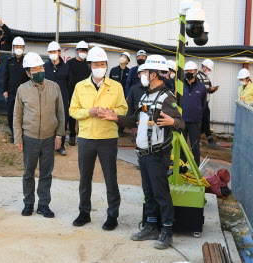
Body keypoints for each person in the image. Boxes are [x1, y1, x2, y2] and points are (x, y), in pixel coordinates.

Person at [98, 55, 185, 250]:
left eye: (145, 72)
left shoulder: (166, 97)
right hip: (144, 154)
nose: (142, 75)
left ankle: (167, 232)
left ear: (154, 74)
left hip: (157, 155)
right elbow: (133, 121)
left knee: (161, 193)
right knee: (149, 193)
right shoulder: (145, 96)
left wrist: (173, 122)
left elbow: (181, 123)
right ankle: (151, 227)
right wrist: (116, 118)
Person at [69, 46, 128, 231]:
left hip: (107, 138)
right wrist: (89, 112)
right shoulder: (80, 86)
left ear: (106, 66)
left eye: (102, 64)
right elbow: (72, 110)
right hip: (86, 138)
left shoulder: (116, 86)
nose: (99, 67)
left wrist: (112, 113)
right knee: (85, 178)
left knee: (111, 178)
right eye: (96, 64)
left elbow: (123, 109)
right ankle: (84, 212)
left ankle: (112, 215)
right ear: (90, 65)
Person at [13, 52, 65, 218]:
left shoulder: (54, 87)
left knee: (46, 173)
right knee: (28, 173)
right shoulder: (22, 90)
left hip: (49, 138)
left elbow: (61, 113)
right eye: (35, 69)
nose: (39, 71)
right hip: (30, 138)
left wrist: (59, 135)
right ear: (28, 72)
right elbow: (17, 116)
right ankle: (28, 203)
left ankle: (44, 205)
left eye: (41, 67)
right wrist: (18, 137)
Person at [44, 41, 69, 155]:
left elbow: (69, 84)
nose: (53, 54)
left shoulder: (66, 67)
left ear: (59, 52)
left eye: (55, 51)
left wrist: (68, 99)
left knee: (62, 121)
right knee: (48, 121)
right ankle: (49, 145)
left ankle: (61, 145)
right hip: (48, 99)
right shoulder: (44, 67)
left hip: (62, 99)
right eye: (51, 52)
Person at [3, 36, 29, 143]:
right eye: (16, 46)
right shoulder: (9, 61)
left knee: (23, 114)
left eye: (20, 46)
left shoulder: (27, 61)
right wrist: (5, 90)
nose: (18, 48)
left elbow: (29, 77)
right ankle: (14, 133)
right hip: (12, 93)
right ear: (13, 47)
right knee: (11, 114)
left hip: (24, 94)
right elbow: (5, 77)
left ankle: (22, 134)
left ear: (23, 48)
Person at [180, 61, 207, 167]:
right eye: (186, 71)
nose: (188, 73)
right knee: (182, 146)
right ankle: (182, 166)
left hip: (195, 122)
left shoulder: (201, 88)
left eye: (190, 71)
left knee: (195, 146)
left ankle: (196, 168)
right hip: (181, 121)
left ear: (195, 72)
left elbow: (203, 104)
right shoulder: (180, 86)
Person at [67, 40, 91, 146]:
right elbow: (66, 78)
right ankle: (72, 135)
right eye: (81, 50)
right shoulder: (70, 63)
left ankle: (81, 135)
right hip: (72, 92)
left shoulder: (88, 64)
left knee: (83, 114)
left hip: (85, 93)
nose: (83, 52)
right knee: (72, 114)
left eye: (85, 50)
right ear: (77, 51)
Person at [197, 59, 219, 148]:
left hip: (205, 103)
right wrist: (210, 89)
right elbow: (198, 91)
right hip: (200, 104)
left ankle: (198, 139)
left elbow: (207, 90)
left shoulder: (206, 78)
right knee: (203, 122)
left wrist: (213, 90)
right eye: (208, 69)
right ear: (204, 67)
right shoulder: (198, 77)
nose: (209, 71)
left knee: (204, 122)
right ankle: (210, 140)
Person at [109, 52, 131, 137]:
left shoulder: (129, 72)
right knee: (113, 109)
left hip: (124, 95)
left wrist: (127, 96)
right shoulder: (113, 70)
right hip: (113, 94)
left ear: (128, 61)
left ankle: (121, 129)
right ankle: (112, 126)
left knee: (122, 111)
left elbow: (128, 84)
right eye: (122, 56)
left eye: (125, 57)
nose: (122, 58)